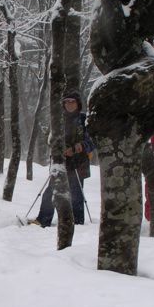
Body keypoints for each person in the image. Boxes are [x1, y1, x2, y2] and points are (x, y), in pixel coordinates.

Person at [29, 92, 94, 227]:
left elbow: (92, 141)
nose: (69, 104)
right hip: (61, 161)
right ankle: (43, 220)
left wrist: (77, 147)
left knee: (76, 194)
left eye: (72, 102)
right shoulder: (58, 120)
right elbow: (50, 139)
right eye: (67, 102)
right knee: (51, 191)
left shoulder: (84, 120)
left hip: (78, 163)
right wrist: (59, 148)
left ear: (78, 103)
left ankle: (77, 223)